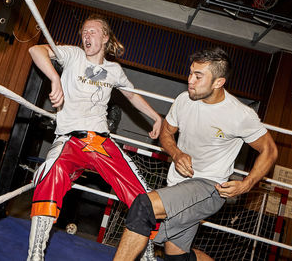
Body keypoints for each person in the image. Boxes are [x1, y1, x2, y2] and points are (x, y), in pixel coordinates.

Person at [113, 47, 278, 261]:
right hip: (178, 184)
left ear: (218, 82)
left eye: (198, 76)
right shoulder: (184, 100)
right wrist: (176, 153)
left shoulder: (239, 115)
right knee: (176, 256)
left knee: (144, 207)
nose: (190, 80)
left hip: (209, 187)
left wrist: (247, 184)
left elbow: (270, 150)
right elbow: (166, 132)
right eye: (191, 73)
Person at [26, 14, 162, 261]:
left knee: (142, 192)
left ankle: (146, 251)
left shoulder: (114, 70)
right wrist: (55, 78)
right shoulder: (73, 55)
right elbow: (36, 50)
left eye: (92, 32)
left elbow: (132, 96)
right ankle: (35, 253)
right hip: (70, 139)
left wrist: (156, 117)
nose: (86, 36)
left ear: (105, 37)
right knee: (50, 176)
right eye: (84, 32)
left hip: (100, 141)